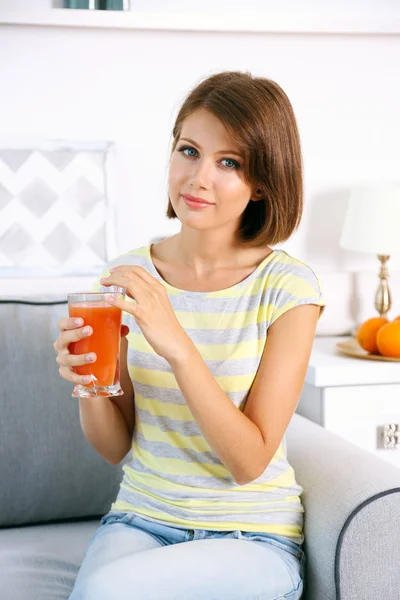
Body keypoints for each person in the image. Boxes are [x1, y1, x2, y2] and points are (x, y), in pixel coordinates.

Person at [54, 70, 325, 600]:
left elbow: (248, 462)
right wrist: (90, 386)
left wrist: (174, 339)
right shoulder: (126, 276)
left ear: (263, 182)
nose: (199, 178)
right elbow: (115, 448)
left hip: (253, 535)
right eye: (189, 150)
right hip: (141, 520)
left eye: (230, 163)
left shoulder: (288, 288)